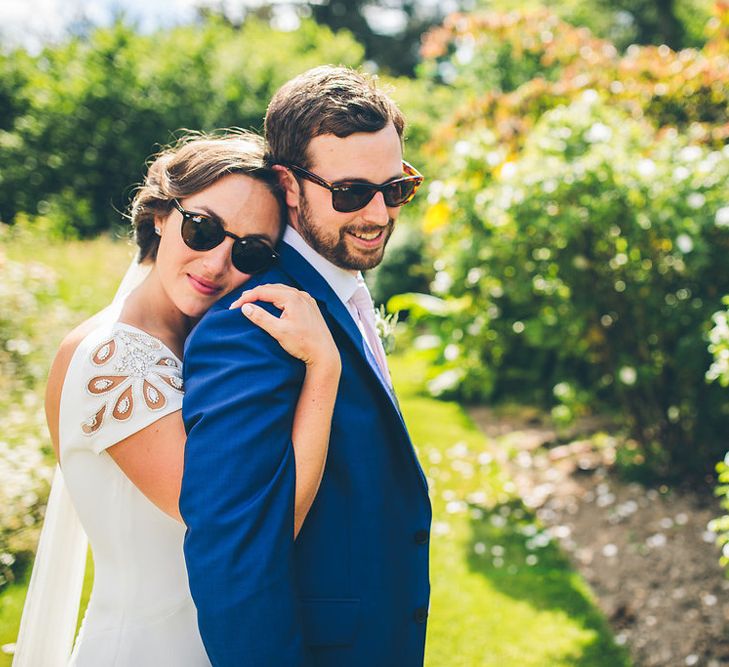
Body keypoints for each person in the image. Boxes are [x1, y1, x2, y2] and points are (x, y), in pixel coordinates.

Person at [16, 131, 339, 666]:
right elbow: (259, 526)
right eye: (203, 228)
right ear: (163, 213)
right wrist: (324, 371)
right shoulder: (114, 359)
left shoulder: (196, 346)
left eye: (250, 250)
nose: (216, 264)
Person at [180, 66, 432, 666]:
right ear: (289, 186)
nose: (377, 214)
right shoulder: (250, 328)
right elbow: (237, 560)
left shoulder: (340, 291)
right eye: (350, 193)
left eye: (394, 188)